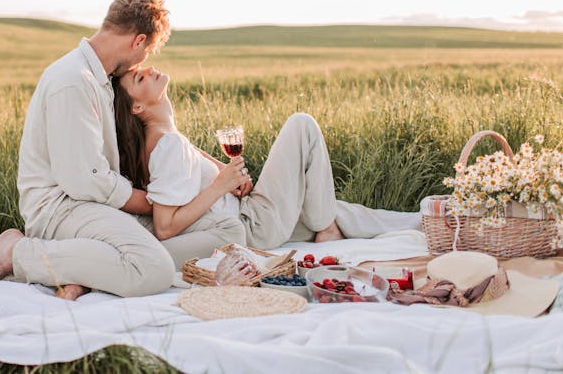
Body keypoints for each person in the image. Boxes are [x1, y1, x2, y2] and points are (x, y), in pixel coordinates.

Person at [0, 0, 178, 300]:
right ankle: (17, 253)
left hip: (86, 205)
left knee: (172, 239)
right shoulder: (73, 81)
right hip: (60, 208)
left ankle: (77, 270)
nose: (142, 63)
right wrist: (150, 203)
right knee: (153, 269)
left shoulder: (97, 77)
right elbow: (85, 181)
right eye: (146, 53)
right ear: (138, 41)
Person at [112, 65, 421, 263]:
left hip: (249, 215)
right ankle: (325, 228)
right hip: (253, 225)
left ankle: (425, 220)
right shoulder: (168, 145)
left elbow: (187, 156)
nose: (149, 69)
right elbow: (165, 227)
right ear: (137, 106)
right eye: (139, 77)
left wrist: (221, 169)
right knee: (301, 125)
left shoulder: (164, 137)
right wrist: (221, 186)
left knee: (338, 211)